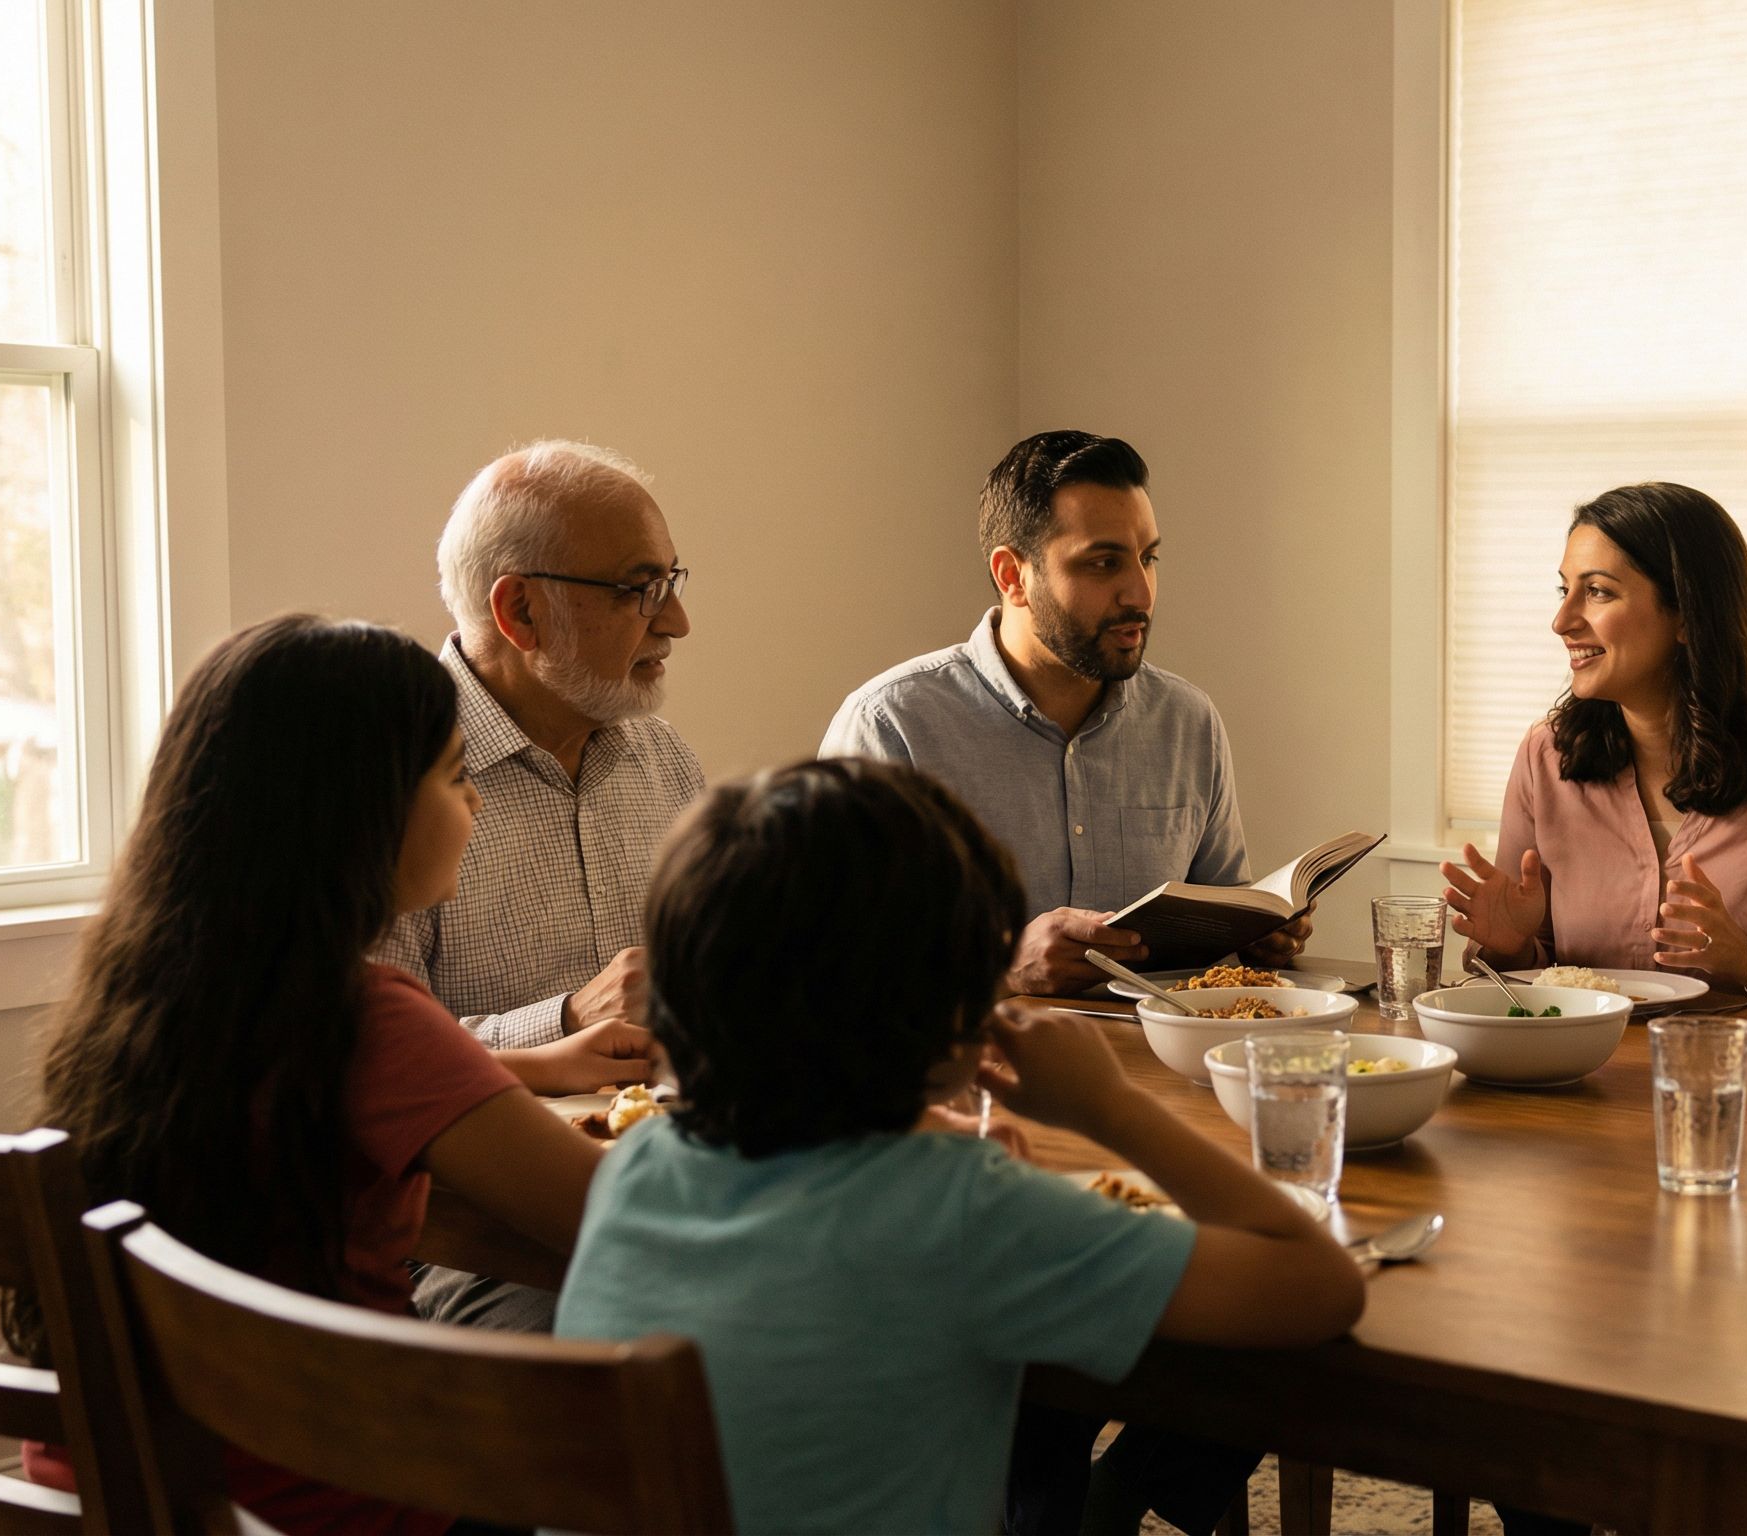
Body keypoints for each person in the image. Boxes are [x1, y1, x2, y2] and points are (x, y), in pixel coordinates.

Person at [554, 759, 1364, 1536]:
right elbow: (1321, 1287)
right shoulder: (967, 1212)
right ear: (958, 1005)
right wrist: (1110, 1110)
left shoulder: (632, 1171)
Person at [10, 616, 608, 1536]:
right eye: (455, 777)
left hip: (109, 1496)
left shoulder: (143, 998)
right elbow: (614, 1217)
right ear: (358, 811)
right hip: (325, 1506)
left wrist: (519, 1063)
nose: (477, 806)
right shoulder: (367, 1016)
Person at [373, 440, 704, 1331]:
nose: (674, 621)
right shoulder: (386, 780)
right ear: (519, 610)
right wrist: (561, 1021)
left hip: (661, 1168)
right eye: (639, 588)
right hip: (460, 1241)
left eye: (673, 580)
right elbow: (367, 1053)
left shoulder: (664, 760)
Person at [822, 430, 1308, 997]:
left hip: (1165, 1074)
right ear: (1013, 576)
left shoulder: (1188, 722)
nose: (1141, 594)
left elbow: (1218, 922)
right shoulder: (891, 726)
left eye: (1148, 558)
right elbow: (830, 967)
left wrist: (1254, 936)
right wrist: (1001, 969)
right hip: (970, 1078)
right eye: (1104, 563)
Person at [1442, 481, 1747, 1001]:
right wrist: (1511, 948)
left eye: (1597, 591)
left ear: (1688, 613)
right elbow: (1537, 982)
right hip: (1582, 1076)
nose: (1562, 621)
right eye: (1564, 590)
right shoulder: (1545, 755)